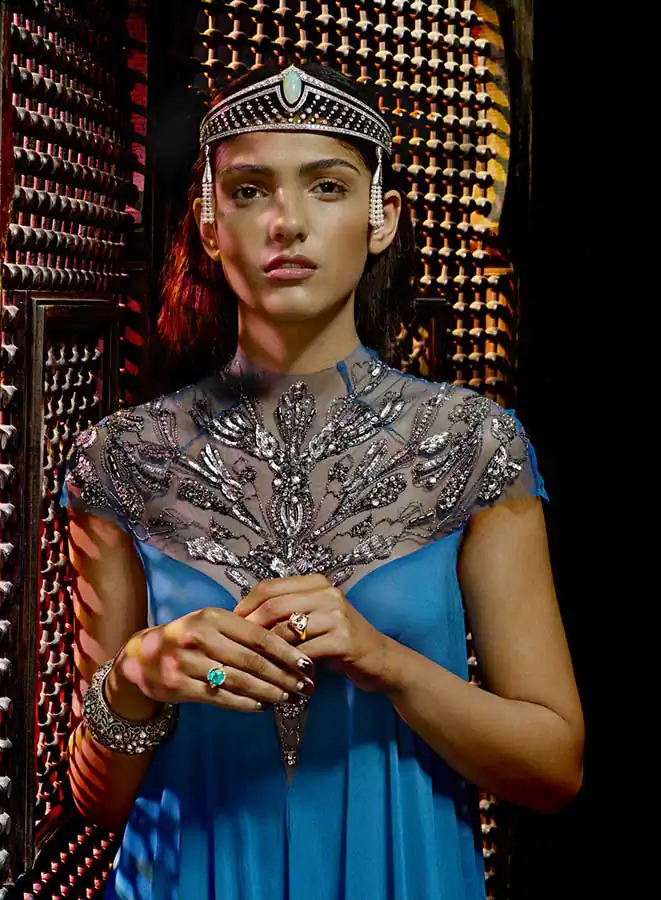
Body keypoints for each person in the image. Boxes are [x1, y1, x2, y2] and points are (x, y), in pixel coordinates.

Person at [62, 61, 584, 900]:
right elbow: (99, 804)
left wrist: (386, 662)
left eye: (328, 187)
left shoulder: (471, 445)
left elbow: (554, 768)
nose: (287, 222)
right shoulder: (123, 459)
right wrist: (133, 680)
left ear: (382, 220)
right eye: (249, 191)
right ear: (208, 225)